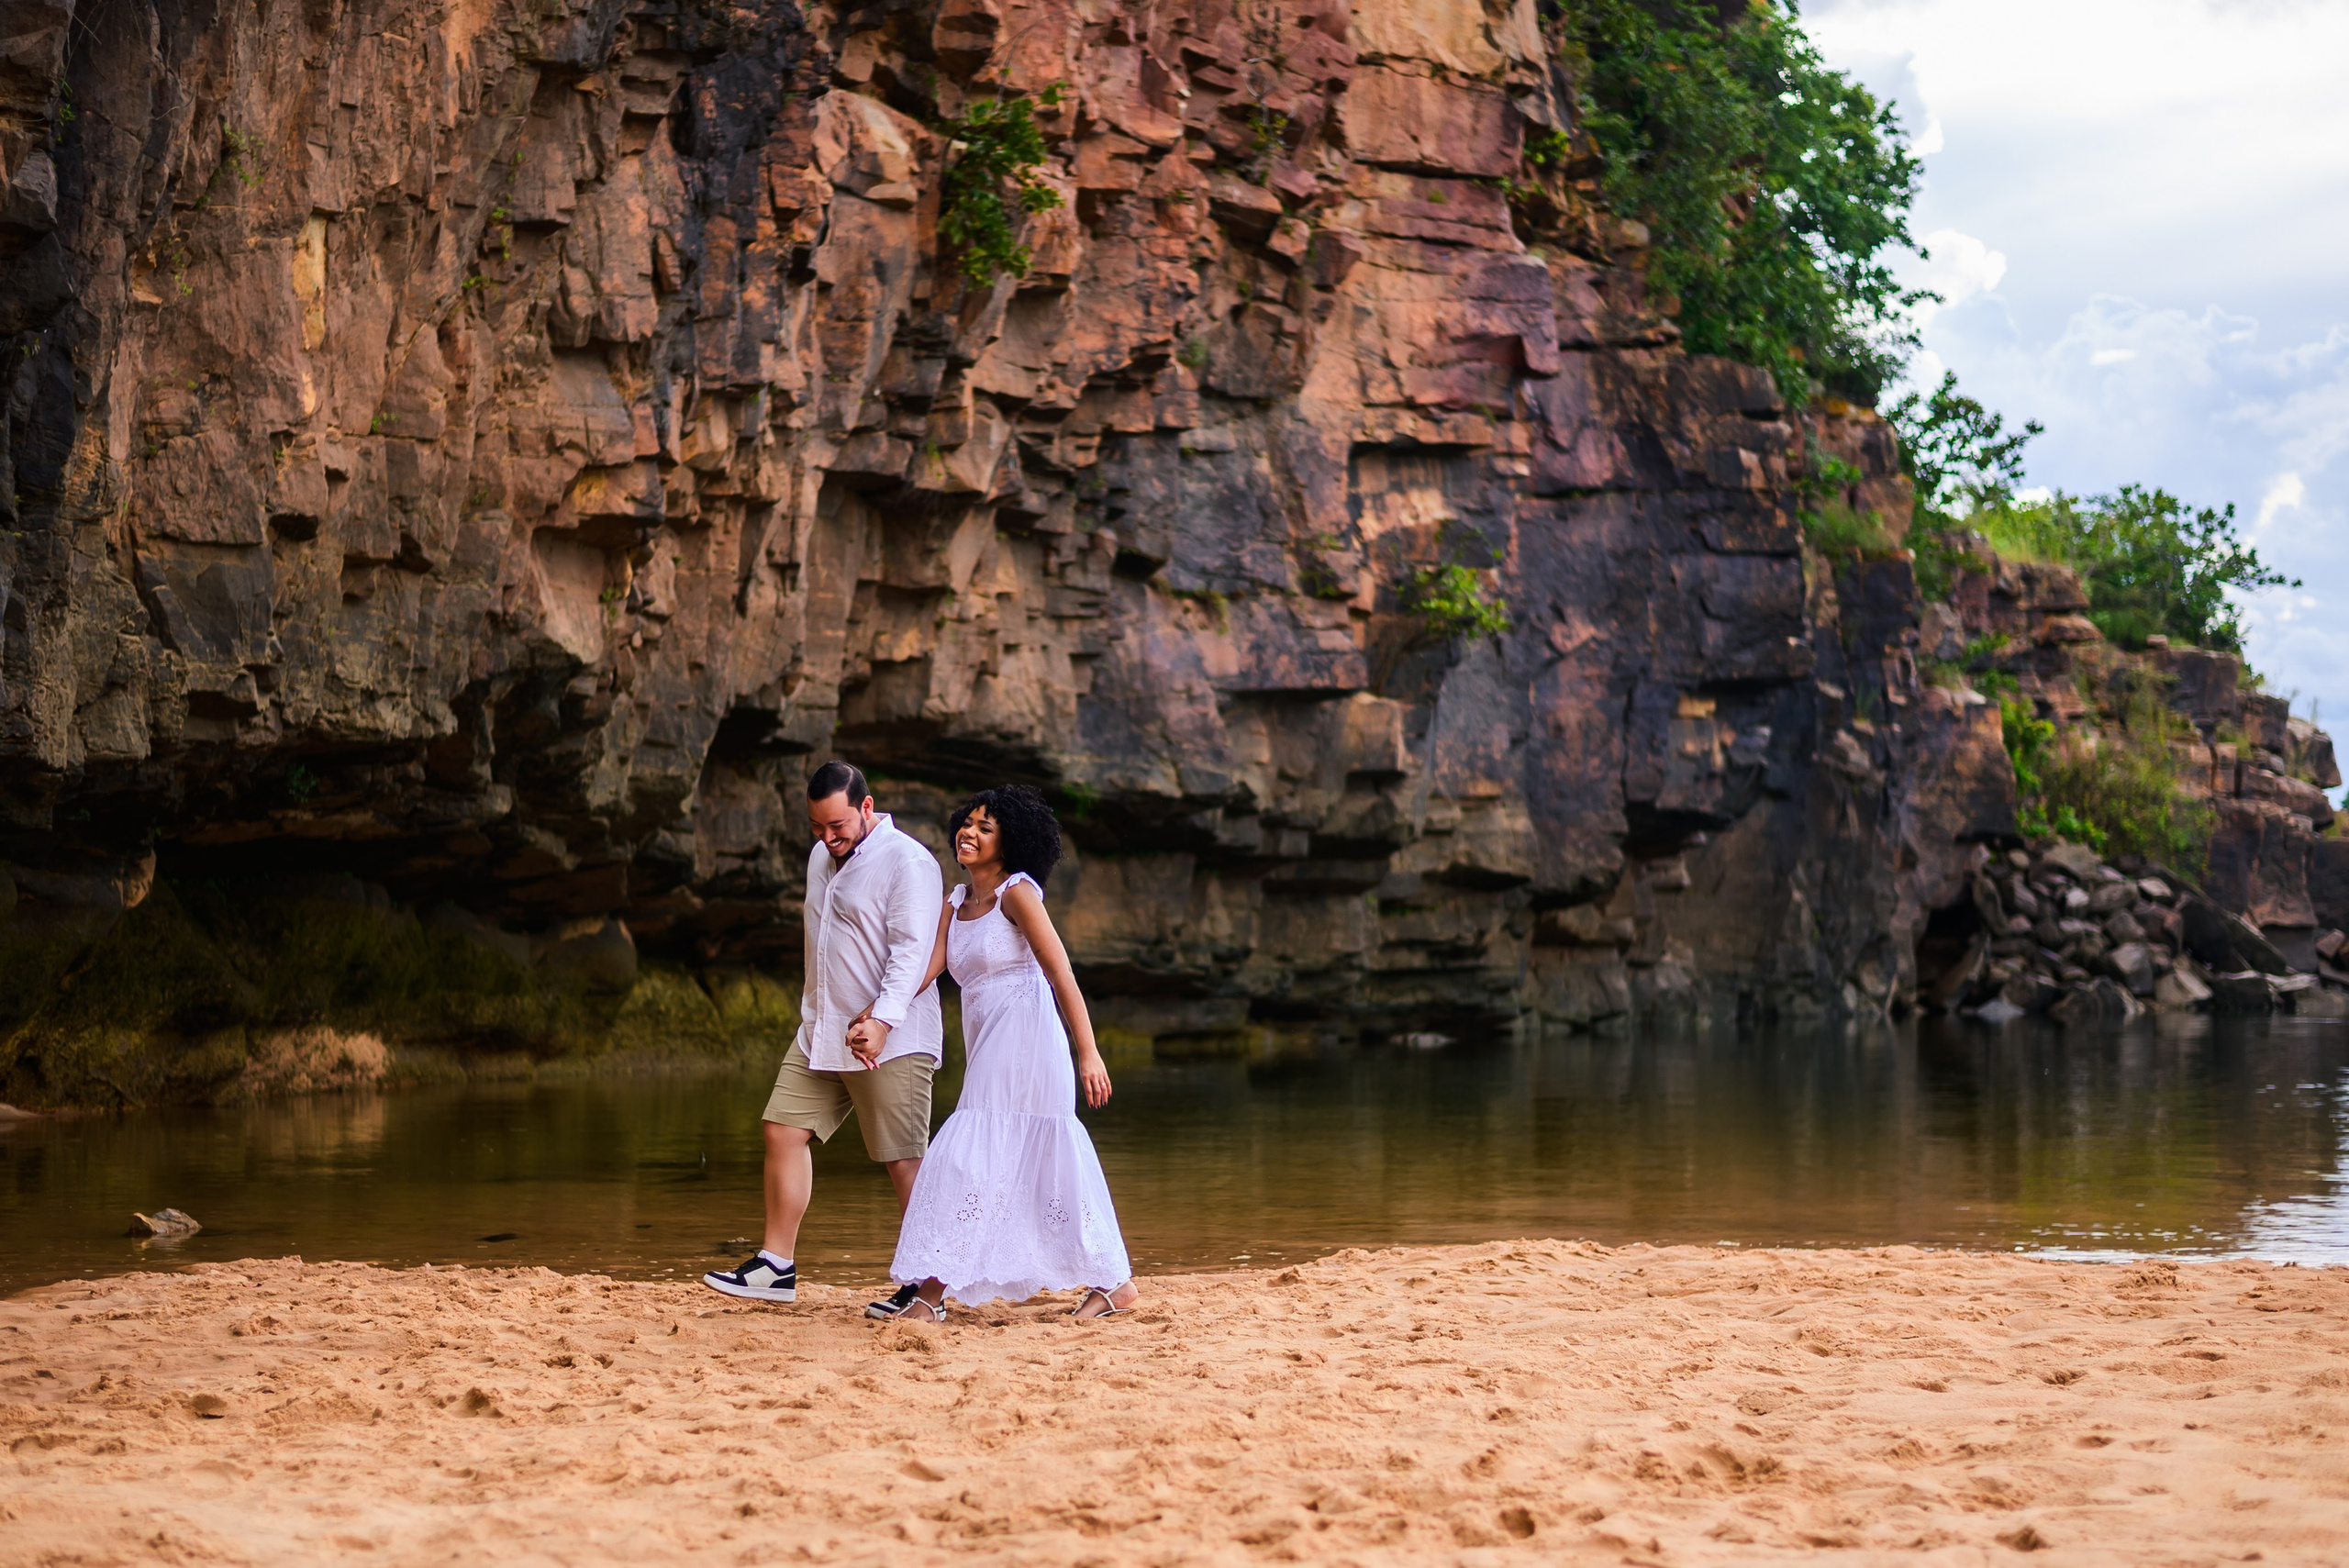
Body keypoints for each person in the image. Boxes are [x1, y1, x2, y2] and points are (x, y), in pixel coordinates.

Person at [859, 784, 1136, 1322]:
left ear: (1008, 844)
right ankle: (1115, 1283)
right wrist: (877, 1014)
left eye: (986, 828)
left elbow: (1061, 973)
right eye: (969, 822)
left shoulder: (1017, 893)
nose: (970, 832)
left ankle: (931, 1296)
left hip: (1029, 1039)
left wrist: (1090, 1052)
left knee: (966, 1157)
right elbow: (926, 972)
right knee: (1025, 1162)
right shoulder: (956, 903)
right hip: (991, 1043)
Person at [702, 761, 945, 1305]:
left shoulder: (909, 862)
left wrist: (882, 1020)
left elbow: (913, 954)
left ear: (866, 806)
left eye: (837, 826)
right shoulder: (820, 856)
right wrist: (813, 1014)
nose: (828, 838)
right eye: (817, 828)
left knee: (903, 1159)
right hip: (823, 1029)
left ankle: (928, 1288)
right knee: (782, 1130)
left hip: (894, 1036)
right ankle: (776, 1267)